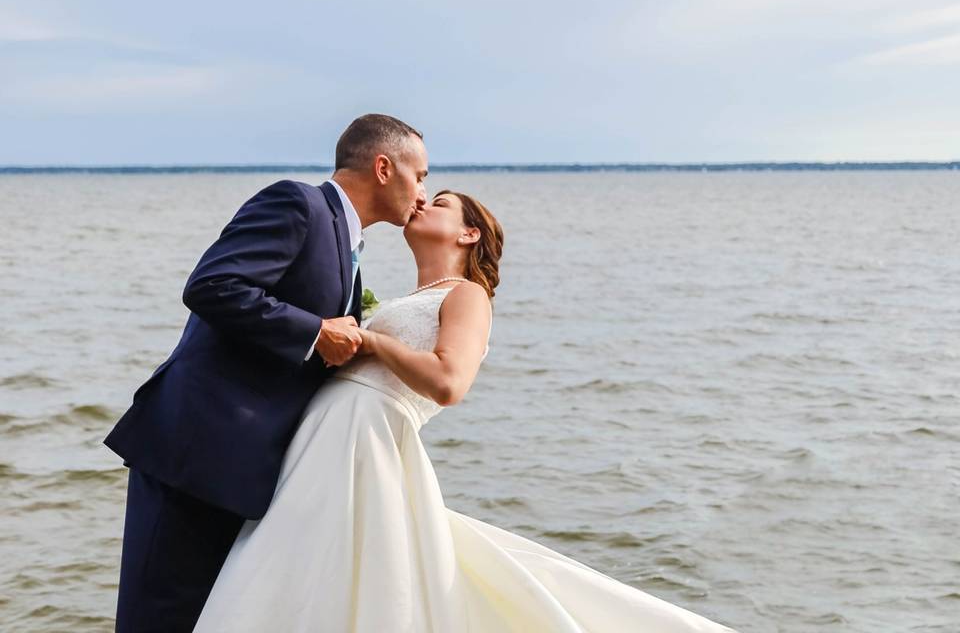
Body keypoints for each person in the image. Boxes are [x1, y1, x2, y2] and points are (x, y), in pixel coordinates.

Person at [193, 191, 739, 632]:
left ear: (468, 233)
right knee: (296, 569)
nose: (423, 200)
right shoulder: (400, 298)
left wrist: (373, 344)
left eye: (442, 202)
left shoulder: (467, 296)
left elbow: (450, 383)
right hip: (325, 438)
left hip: (369, 439)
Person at [102, 113, 429, 632]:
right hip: (197, 452)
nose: (423, 194)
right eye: (421, 175)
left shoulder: (350, 246)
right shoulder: (298, 203)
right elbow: (212, 286)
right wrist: (314, 332)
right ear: (384, 167)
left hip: (246, 472)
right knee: (158, 618)